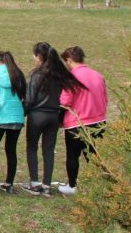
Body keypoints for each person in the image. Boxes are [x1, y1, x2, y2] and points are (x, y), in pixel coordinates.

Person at [21, 42, 85, 197]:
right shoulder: (60, 74)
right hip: (54, 116)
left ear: (39, 56)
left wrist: (23, 112)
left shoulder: (37, 74)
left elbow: (30, 98)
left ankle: (35, 183)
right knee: (49, 150)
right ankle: (47, 185)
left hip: (37, 115)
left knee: (32, 147)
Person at [58, 46, 107, 196]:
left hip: (77, 122)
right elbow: (105, 98)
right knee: (94, 155)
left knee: (73, 155)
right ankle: (102, 184)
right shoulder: (98, 75)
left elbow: (65, 101)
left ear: (69, 60)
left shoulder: (71, 78)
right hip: (98, 122)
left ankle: (72, 185)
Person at [0, 51, 26, 193]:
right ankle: (9, 184)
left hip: (0, 117)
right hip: (16, 117)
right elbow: (24, 96)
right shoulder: (18, 75)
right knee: (11, 150)